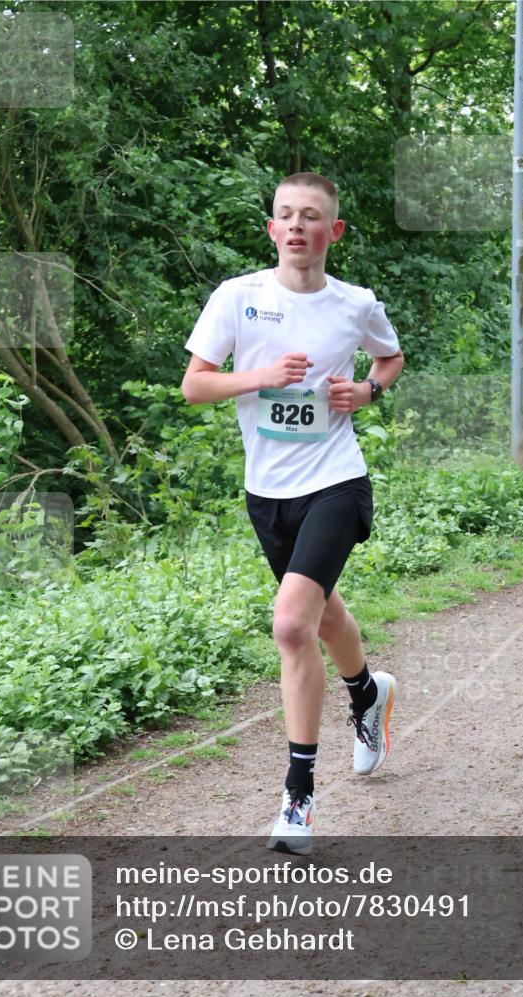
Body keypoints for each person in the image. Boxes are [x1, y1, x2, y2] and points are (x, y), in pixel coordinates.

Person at [181, 172, 404, 854]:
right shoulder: (237, 298)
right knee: (320, 611)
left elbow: (389, 359)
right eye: (286, 215)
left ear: (332, 232)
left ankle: (297, 800)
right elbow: (195, 385)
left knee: (288, 625)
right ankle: (366, 693)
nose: (298, 225)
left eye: (312, 216)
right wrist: (261, 376)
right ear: (272, 229)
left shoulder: (354, 304)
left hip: (336, 482)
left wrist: (365, 392)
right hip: (266, 492)